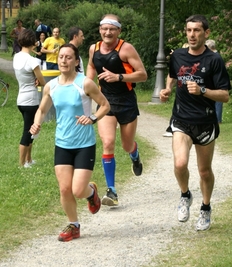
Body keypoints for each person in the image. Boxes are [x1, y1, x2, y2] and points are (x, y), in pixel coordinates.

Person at [29, 43, 110, 242]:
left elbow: (105, 105)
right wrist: (36, 124)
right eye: (61, 57)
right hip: (62, 143)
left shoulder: (85, 84)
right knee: (65, 189)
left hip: (84, 144)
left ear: (75, 61)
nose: (64, 60)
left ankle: (91, 193)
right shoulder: (51, 86)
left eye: (68, 57)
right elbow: (42, 109)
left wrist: (92, 118)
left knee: (78, 190)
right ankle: (74, 225)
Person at [160, 15, 231, 231]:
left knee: (204, 171)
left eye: (197, 30)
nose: (192, 35)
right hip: (181, 119)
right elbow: (173, 75)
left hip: (205, 122)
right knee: (180, 163)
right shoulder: (178, 56)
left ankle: (206, 208)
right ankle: (185, 195)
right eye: (189, 30)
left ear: (206, 33)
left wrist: (203, 91)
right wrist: (168, 89)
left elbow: (225, 95)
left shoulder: (214, 60)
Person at [87, 14, 147, 207]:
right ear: (100, 30)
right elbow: (90, 67)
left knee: (126, 145)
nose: (108, 32)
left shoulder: (125, 49)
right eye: (104, 28)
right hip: (106, 102)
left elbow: (143, 75)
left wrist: (119, 77)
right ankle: (111, 191)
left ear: (118, 31)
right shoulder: (93, 49)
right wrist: (87, 87)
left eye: (112, 29)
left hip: (127, 101)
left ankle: (135, 155)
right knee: (108, 142)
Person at [13, 29, 46, 168]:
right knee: (27, 132)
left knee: (31, 129)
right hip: (31, 100)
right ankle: (21, 164)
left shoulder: (16, 57)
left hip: (21, 99)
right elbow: (42, 81)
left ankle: (29, 159)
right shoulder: (32, 61)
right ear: (33, 42)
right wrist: (39, 81)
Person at [205, 39, 223, 123]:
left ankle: (217, 119)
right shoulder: (215, 56)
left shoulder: (215, 56)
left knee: (218, 99)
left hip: (216, 81)